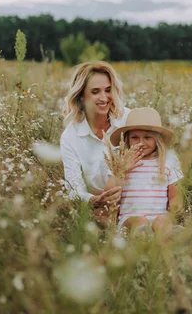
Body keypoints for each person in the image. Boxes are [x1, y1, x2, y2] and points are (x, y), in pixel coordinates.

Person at [60, 61, 131, 223]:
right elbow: (74, 190)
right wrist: (95, 200)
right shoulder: (70, 137)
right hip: (101, 208)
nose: (104, 98)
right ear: (81, 96)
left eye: (108, 90)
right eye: (95, 92)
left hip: (135, 199)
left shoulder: (127, 119)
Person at [103, 107, 183, 237]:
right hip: (130, 218)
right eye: (135, 138)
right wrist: (123, 168)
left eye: (147, 137)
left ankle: (166, 239)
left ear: (157, 139)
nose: (141, 143)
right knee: (139, 221)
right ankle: (144, 239)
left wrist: (176, 204)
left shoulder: (168, 160)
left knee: (162, 221)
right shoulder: (120, 160)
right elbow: (108, 193)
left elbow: (174, 193)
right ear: (127, 139)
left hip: (159, 216)